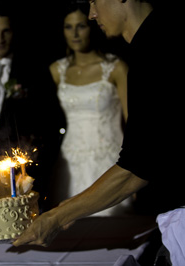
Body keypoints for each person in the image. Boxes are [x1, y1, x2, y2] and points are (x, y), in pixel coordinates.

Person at [13, 1, 184, 264]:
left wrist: (58, 216)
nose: (92, 14)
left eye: (94, 1)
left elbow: (138, 166)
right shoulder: (149, 45)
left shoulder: (155, 51)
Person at [0, 2, 66, 211]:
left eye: (5, 31)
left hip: (24, 171)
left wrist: (38, 161)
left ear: (13, 31)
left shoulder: (33, 69)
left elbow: (52, 118)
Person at [48, 1, 131, 216]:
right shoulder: (57, 70)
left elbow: (132, 119)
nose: (75, 33)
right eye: (69, 27)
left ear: (91, 27)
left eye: (81, 26)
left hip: (109, 159)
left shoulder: (116, 68)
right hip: (71, 161)